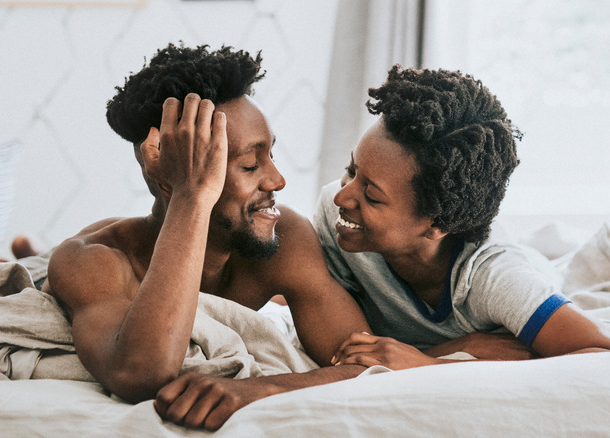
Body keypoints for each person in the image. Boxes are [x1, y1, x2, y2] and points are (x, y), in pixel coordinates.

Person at [41, 43, 373, 430]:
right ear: (163, 170)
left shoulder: (286, 237)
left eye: (270, 156)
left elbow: (367, 362)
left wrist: (262, 389)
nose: (277, 180)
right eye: (250, 164)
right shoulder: (92, 260)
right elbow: (142, 374)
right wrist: (190, 194)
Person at [316, 65, 610, 371]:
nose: (341, 196)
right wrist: (455, 349)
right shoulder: (337, 217)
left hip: (532, 268)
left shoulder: (497, 280)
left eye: (371, 195)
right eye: (351, 170)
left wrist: (430, 365)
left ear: (437, 224)